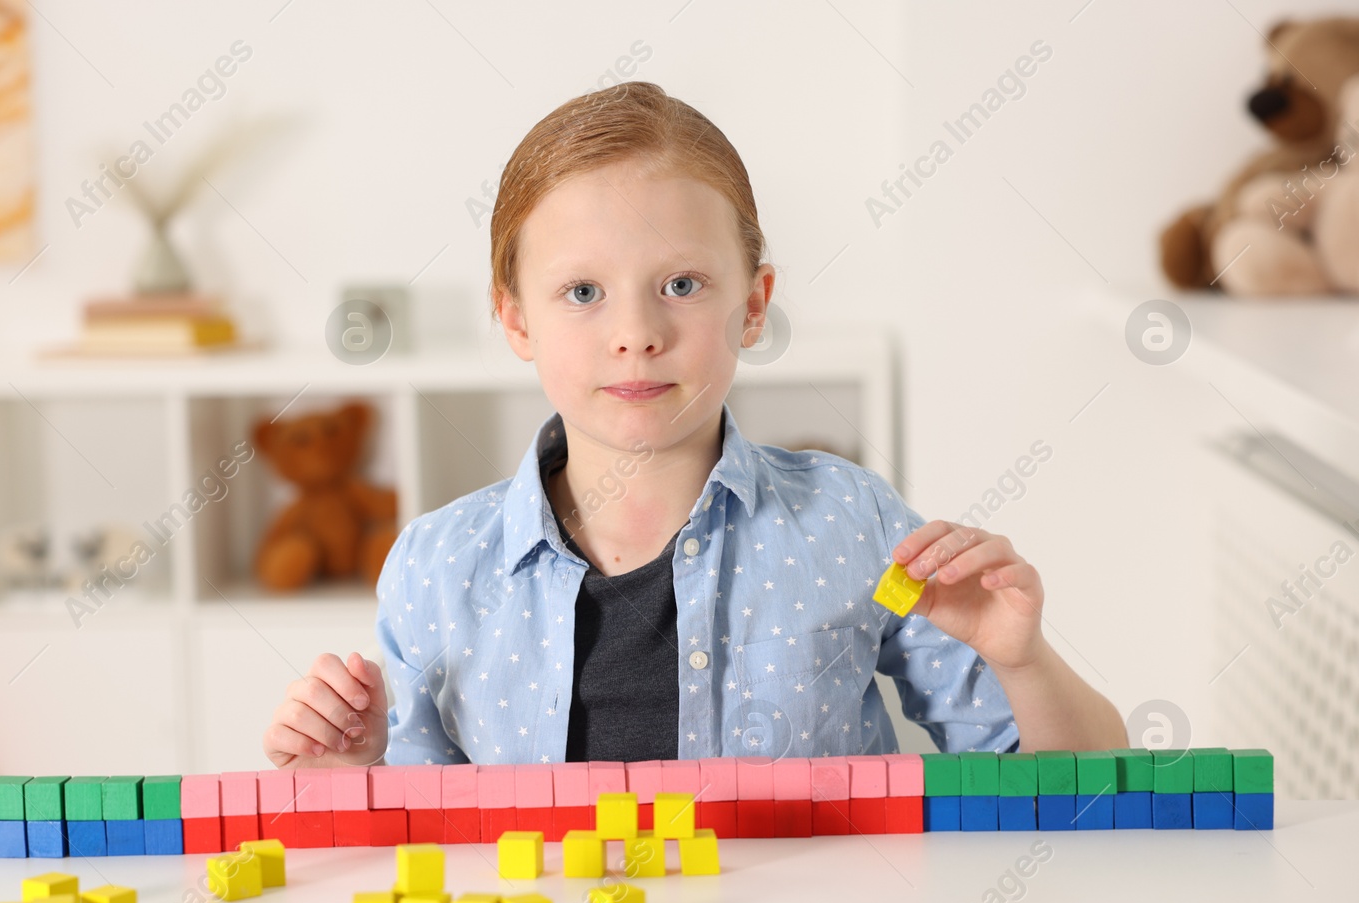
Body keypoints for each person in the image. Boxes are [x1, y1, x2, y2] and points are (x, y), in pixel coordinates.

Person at [263, 81, 1125, 771]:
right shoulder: (437, 567)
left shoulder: (851, 524)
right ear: (515, 318)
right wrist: (346, 779)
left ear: (753, 305)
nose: (636, 331)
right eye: (583, 291)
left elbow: (1082, 783)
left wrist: (1023, 659)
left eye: (681, 284)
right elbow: (420, 851)